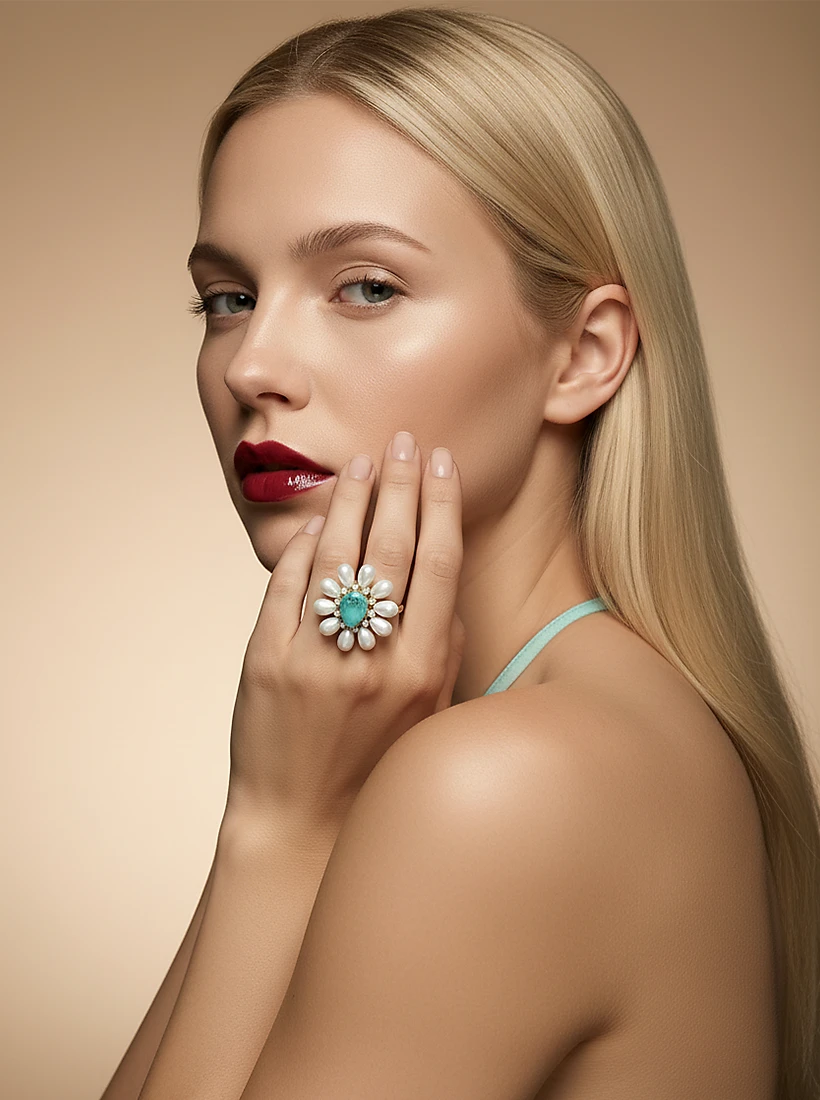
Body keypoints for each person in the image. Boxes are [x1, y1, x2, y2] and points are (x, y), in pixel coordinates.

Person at [100, 7, 820, 1100]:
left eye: (367, 287)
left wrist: (277, 828)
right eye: (229, 298)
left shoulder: (509, 781)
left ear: (582, 355)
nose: (252, 365)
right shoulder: (574, 722)